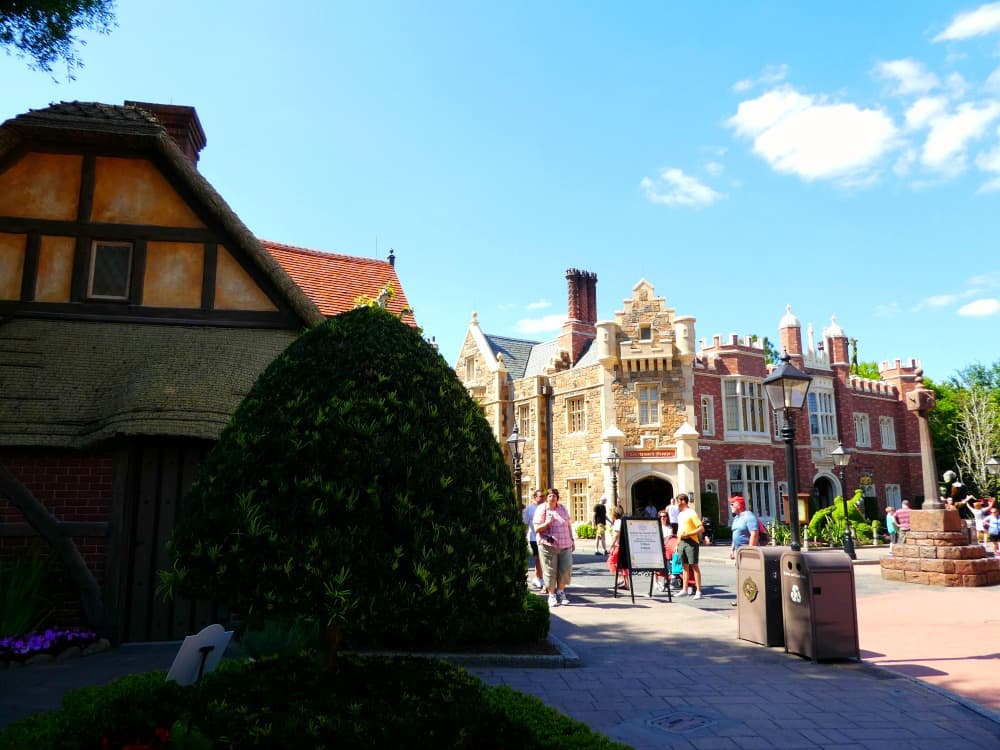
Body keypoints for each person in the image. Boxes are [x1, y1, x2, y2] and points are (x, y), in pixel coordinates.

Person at [533, 488, 575, 606]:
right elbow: (536, 529)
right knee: (550, 571)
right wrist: (547, 523)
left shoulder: (562, 509)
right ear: (546, 498)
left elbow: (568, 525)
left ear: (558, 497)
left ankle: (561, 592)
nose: (553, 497)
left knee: (565, 569)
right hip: (548, 545)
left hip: (565, 544)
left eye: (555, 495)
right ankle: (551, 595)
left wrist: (572, 540)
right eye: (550, 495)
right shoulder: (541, 509)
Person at [675, 494, 704, 599]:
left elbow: (701, 528)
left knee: (694, 566)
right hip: (682, 541)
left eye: (678, 501)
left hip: (691, 541)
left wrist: (689, 534)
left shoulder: (691, 513)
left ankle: (699, 591)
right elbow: (679, 530)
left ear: (683, 501)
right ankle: (684, 589)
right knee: (684, 566)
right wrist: (677, 543)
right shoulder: (680, 514)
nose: (677, 503)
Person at [523, 490, 545, 590]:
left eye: (543, 496)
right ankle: (540, 578)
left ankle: (537, 577)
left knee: (543, 559)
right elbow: (525, 523)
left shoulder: (546, 507)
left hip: (545, 536)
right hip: (534, 537)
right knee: (538, 558)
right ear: (535, 497)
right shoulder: (529, 509)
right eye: (540, 496)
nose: (542, 498)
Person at [728, 495, 759, 560]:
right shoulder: (736, 518)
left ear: (739, 505)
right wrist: (732, 550)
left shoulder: (748, 516)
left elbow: (754, 534)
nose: (731, 506)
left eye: (732, 504)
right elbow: (735, 534)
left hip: (748, 553)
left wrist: (750, 551)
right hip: (739, 552)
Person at [607, 505, 629, 590]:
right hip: (624, 546)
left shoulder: (617, 522)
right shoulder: (623, 521)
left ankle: (620, 578)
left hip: (618, 546)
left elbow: (616, 535)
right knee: (623, 566)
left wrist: (611, 546)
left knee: (611, 562)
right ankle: (627, 584)